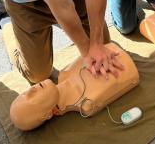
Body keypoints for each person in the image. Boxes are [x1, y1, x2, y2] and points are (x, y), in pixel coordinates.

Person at [10, 42, 139, 131]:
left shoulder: (64, 74)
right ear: (48, 115)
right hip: (130, 67)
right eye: (31, 98)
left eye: (24, 93)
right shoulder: (87, 104)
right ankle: (4, 22)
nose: (31, 89)